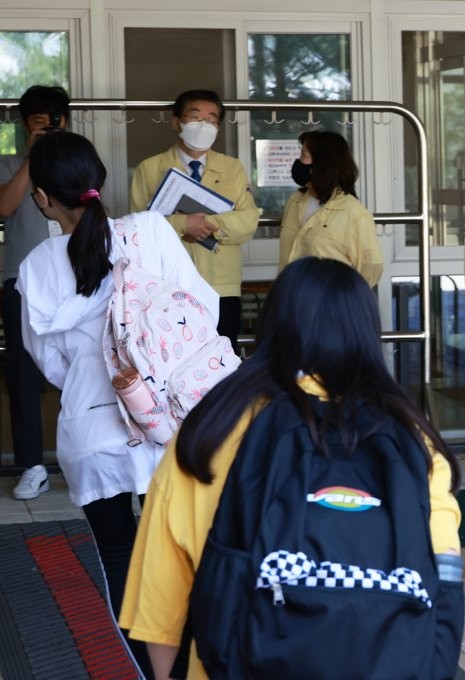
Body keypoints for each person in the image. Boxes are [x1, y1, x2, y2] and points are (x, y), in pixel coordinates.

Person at [119, 257, 462, 680]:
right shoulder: (414, 442)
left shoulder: (210, 433)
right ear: (366, 333)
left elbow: (160, 610)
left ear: (274, 327)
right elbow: (445, 584)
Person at [19, 131, 220, 678]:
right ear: (99, 179)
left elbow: (51, 365)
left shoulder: (37, 265)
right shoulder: (151, 231)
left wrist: (95, 376)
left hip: (93, 434)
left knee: (120, 563)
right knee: (188, 557)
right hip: (169, 424)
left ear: (42, 197)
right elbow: (201, 312)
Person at [129, 89, 259, 350]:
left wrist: (207, 225)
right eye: (196, 117)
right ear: (176, 122)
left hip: (222, 287)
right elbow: (137, 230)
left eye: (212, 120)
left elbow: (248, 221)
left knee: (222, 363)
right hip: (168, 287)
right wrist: (182, 225)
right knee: (175, 362)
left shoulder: (232, 168)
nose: (204, 125)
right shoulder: (149, 168)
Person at [0, 85, 69, 500]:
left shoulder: (74, 158)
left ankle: (82, 457)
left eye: (53, 118)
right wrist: (31, 159)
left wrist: (57, 155)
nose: (46, 124)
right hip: (22, 282)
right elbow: (4, 208)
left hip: (74, 277)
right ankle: (32, 464)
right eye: (38, 119)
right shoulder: (10, 163)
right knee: (23, 375)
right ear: (25, 124)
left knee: (84, 368)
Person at [278, 129, 382, 285]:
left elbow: (370, 267)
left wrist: (345, 299)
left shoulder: (353, 211)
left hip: (332, 303)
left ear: (322, 164)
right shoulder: (296, 201)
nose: (298, 161)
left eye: (304, 155)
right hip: (294, 297)